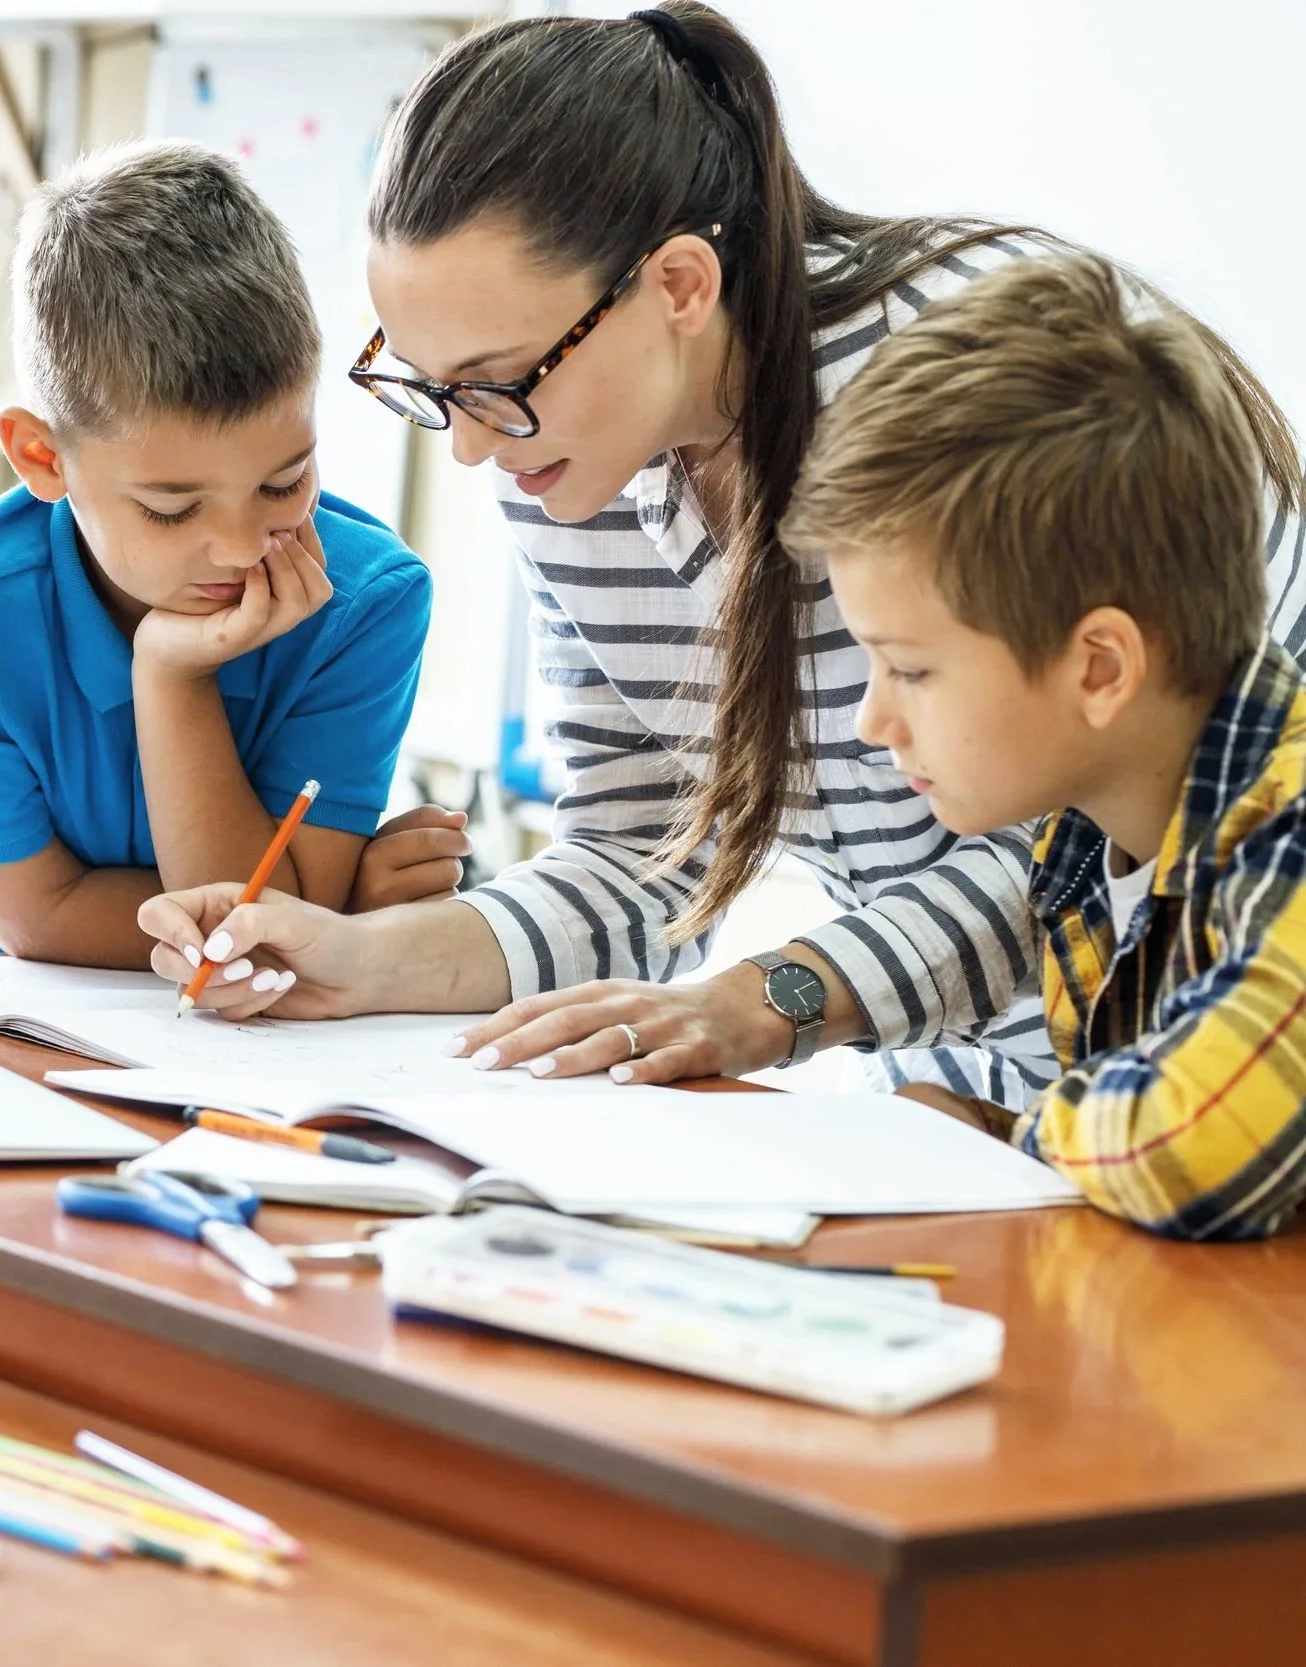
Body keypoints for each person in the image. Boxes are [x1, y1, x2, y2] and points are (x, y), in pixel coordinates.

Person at [137, 2, 1304, 1104]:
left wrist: (773, 997)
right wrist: (365, 959)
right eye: (435, 391)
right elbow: (642, 854)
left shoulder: (966, 399)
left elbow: (1089, 834)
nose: (473, 452)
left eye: (498, 386)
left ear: (679, 284)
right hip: (944, 1112)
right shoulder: (563, 459)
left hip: (1194, 1071)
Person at [800, 253, 1306, 1240]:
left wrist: (1014, 1135)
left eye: (909, 668)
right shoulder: (1082, 847)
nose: (873, 721)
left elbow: (1198, 1142)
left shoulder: (1289, 825)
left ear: (1099, 668)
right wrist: (980, 1132)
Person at [0, 141, 449, 967]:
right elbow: (34, 919)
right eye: (172, 508)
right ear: (44, 459)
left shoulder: (366, 601)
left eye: (285, 482)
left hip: (262, 1053)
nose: (239, 546)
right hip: (12, 1031)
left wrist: (171, 676)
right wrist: (332, 911)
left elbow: (261, 937)